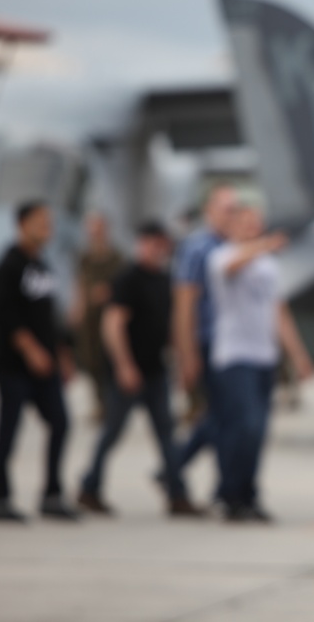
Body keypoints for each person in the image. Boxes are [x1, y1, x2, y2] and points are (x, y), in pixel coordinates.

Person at [76, 221, 201, 517]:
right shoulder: (128, 278)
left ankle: (177, 496)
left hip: (156, 370)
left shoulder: (163, 279)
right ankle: (89, 487)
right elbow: (113, 324)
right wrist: (124, 366)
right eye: (151, 243)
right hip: (129, 372)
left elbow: (170, 328)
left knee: (167, 434)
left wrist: (183, 363)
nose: (157, 249)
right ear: (141, 244)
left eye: (161, 244)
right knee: (112, 432)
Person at [207, 203, 314, 521]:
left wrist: (298, 355)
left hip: (263, 355)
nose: (252, 228)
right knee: (243, 426)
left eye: (257, 223)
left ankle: (248, 494)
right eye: (246, 223)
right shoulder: (221, 256)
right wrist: (264, 244)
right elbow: (233, 267)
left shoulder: (268, 265)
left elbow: (278, 312)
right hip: (234, 354)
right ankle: (229, 493)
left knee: (258, 431)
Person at [0, 200, 78, 522]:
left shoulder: (42, 266)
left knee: (61, 423)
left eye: (48, 223)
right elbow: (5, 316)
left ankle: (52, 493)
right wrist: (31, 350)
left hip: (47, 365)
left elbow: (49, 319)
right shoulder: (8, 266)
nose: (46, 228)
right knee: (9, 430)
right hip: (14, 366)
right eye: (40, 222)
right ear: (22, 224)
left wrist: (62, 355)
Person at [170, 185, 237, 498]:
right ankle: (217, 485)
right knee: (222, 416)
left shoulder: (234, 247)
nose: (231, 216)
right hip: (207, 342)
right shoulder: (199, 248)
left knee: (223, 416)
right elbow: (185, 304)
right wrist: (187, 353)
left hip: (230, 345)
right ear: (209, 212)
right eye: (225, 209)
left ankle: (176, 467)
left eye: (235, 209)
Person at [70, 212, 124, 423]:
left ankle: (112, 405)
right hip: (89, 318)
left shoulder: (116, 257)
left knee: (107, 359)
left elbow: (122, 285)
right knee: (90, 360)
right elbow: (80, 283)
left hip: (109, 315)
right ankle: (100, 404)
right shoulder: (84, 257)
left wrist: (106, 292)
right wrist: (77, 306)